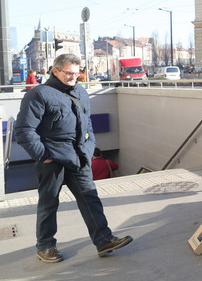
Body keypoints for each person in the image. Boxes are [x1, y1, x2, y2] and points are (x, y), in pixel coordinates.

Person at [15, 54, 132, 263]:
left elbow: (87, 124)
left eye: (77, 73)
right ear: (55, 71)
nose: (73, 77)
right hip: (52, 159)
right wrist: (43, 155)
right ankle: (45, 246)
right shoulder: (39, 95)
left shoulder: (80, 91)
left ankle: (104, 240)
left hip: (79, 157)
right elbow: (24, 131)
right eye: (69, 73)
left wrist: (88, 151)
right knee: (48, 203)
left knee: (90, 199)